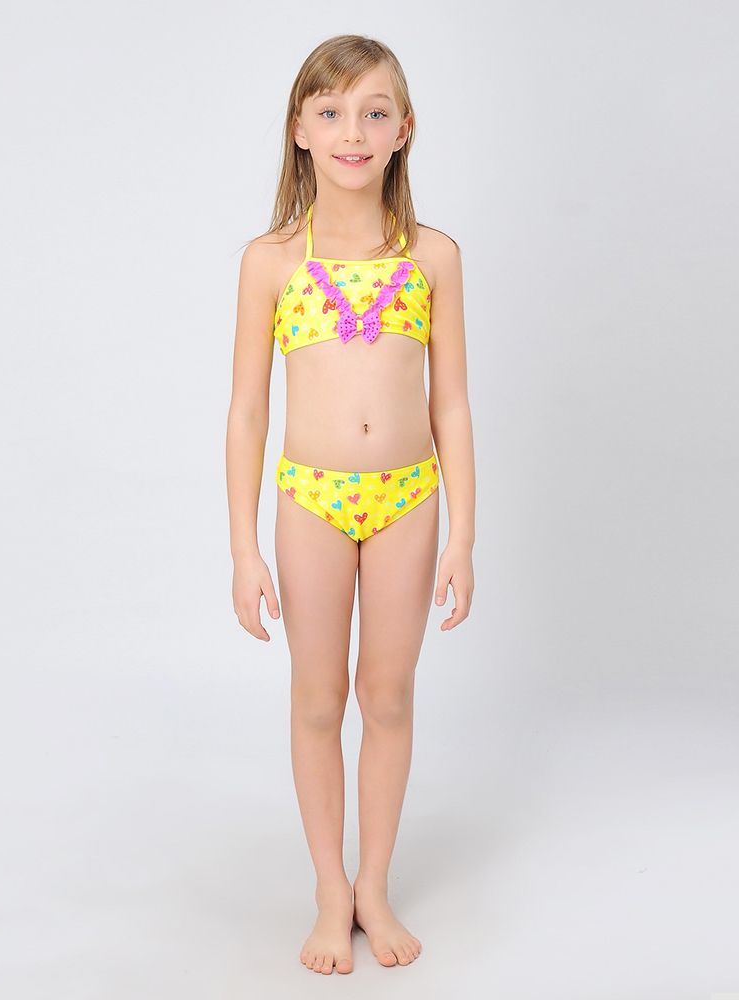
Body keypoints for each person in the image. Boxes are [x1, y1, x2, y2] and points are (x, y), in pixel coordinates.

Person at [226, 33, 476, 976]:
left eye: (375, 113)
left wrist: (463, 536)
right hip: (312, 501)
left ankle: (374, 882)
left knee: (389, 694)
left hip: (409, 499)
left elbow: (451, 404)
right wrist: (244, 548)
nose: (353, 132)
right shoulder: (270, 261)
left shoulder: (434, 257)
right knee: (320, 696)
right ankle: (330, 890)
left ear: (404, 130)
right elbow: (248, 409)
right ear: (300, 129)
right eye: (330, 113)